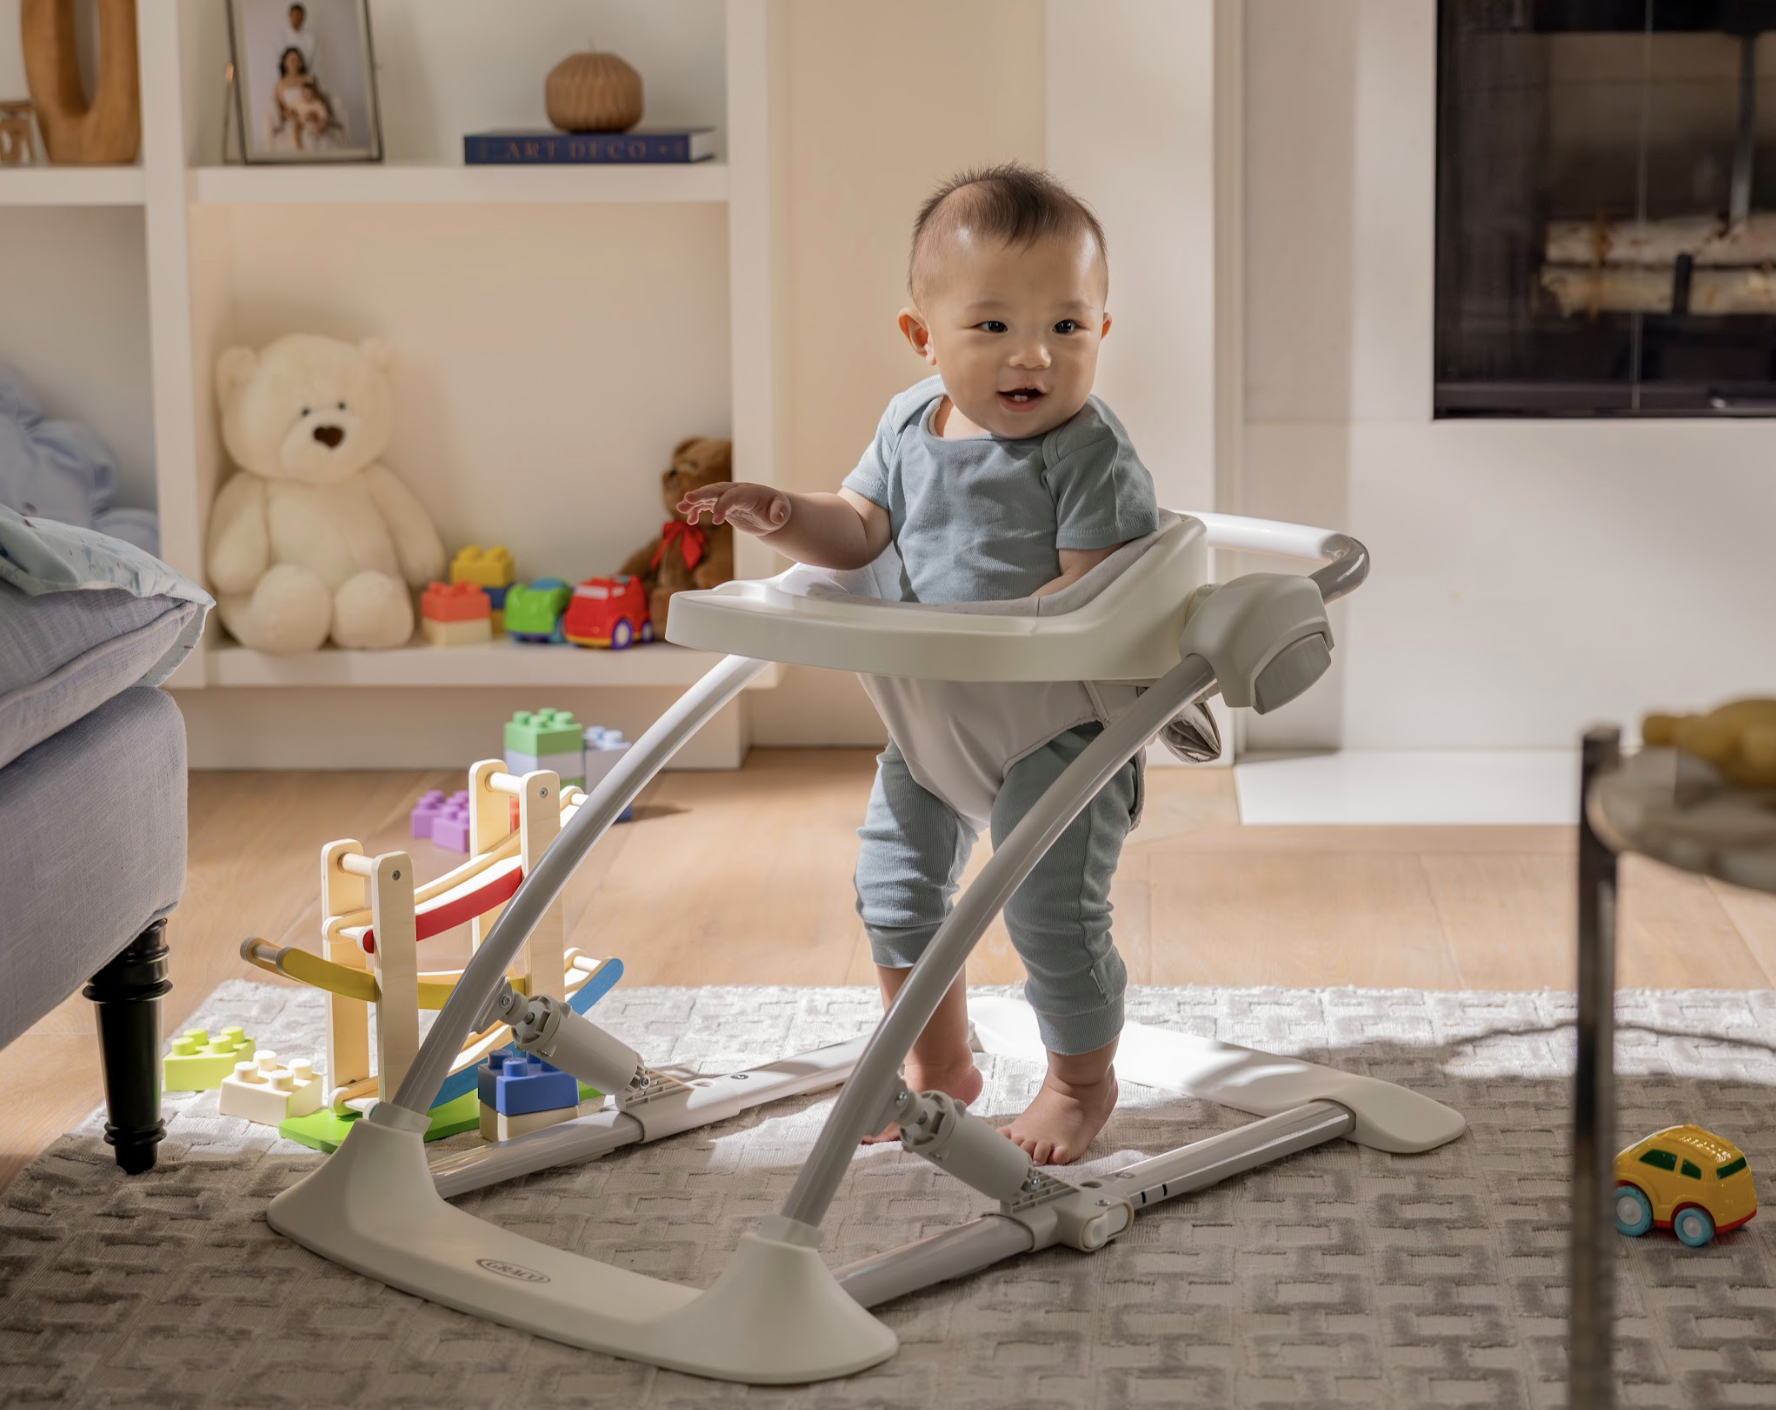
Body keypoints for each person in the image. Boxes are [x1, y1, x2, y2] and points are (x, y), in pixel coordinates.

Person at [677, 164, 1160, 1165]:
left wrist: (1018, 630)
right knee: (893, 887)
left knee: (1044, 905)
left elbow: (1090, 606)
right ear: (922, 336)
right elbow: (858, 531)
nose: (1034, 352)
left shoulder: (1089, 453)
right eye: (992, 326)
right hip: (932, 716)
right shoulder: (906, 425)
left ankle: (1079, 1081)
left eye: (1068, 327)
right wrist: (783, 517)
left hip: (1058, 727)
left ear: (1102, 332)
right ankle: (938, 1068)